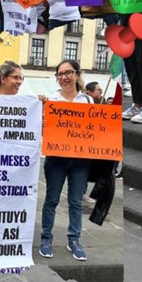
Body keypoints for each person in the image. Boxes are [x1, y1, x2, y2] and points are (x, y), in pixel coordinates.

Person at [38, 60, 92, 261]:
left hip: (80, 160)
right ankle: (46, 239)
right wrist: (42, 120)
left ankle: (74, 240)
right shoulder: (49, 100)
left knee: (76, 202)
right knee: (51, 200)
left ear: (77, 74)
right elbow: (42, 129)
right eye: (59, 74)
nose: (64, 77)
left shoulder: (87, 101)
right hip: (56, 159)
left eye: (68, 72)